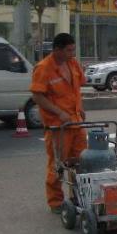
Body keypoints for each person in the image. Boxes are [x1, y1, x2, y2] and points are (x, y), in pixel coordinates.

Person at [30, 33, 86, 214]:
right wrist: (59, 112)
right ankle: (55, 202)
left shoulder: (73, 64)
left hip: (76, 123)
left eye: (73, 49)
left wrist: (80, 108)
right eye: (69, 50)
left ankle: (79, 196)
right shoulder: (44, 68)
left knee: (80, 162)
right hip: (58, 126)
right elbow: (37, 96)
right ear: (56, 50)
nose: (72, 53)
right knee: (58, 164)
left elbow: (77, 88)